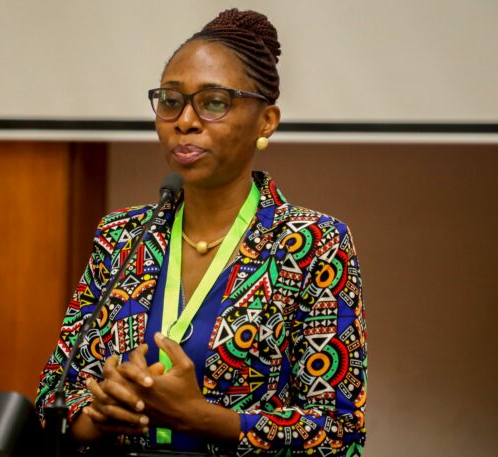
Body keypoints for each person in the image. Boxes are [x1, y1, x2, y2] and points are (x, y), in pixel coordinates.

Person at [36, 8, 367, 456]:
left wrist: (201, 418)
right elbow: (52, 399)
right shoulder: (122, 236)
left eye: (213, 102)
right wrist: (99, 414)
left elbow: (338, 435)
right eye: (171, 100)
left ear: (266, 121)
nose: (185, 120)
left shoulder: (311, 244)